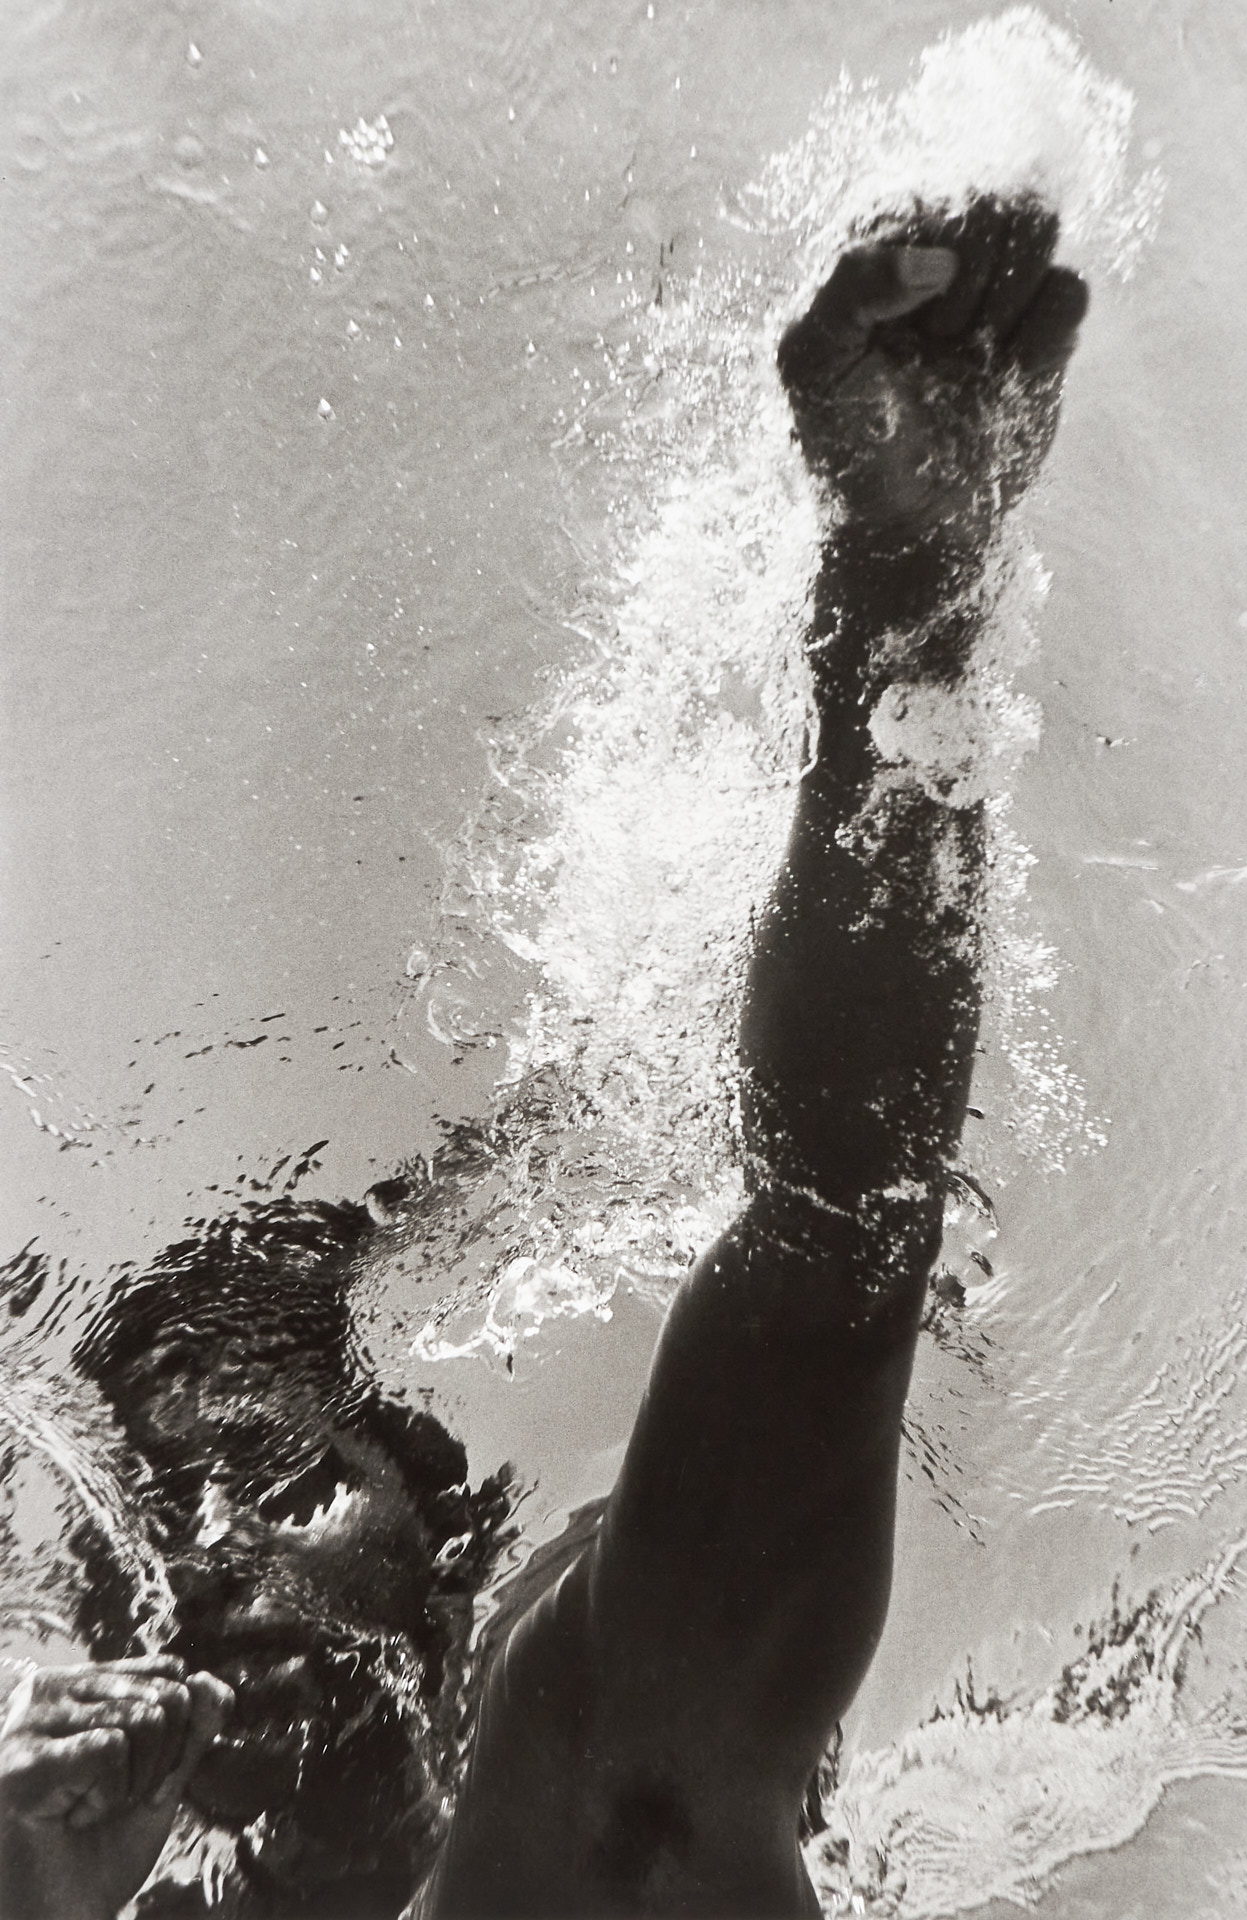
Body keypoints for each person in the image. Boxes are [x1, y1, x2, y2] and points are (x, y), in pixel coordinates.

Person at [0, 194, 1088, 1919]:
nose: (224, 1563)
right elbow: (844, 1239)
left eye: (277, 1487)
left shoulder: (574, 1744)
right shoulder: (560, 1806)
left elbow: (830, 1250)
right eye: (187, 1554)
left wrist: (902, 602)